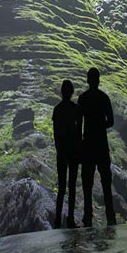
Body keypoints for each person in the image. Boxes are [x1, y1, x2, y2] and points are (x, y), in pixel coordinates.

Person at [78, 67, 116, 226]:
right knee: (106, 181)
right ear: (98, 80)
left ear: (88, 80)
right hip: (101, 144)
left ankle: (88, 217)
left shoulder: (83, 98)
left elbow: (79, 123)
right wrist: (101, 125)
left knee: (87, 182)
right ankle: (110, 217)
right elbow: (111, 121)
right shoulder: (104, 98)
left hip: (87, 144)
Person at [51, 79, 81, 229]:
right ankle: (70, 219)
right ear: (72, 92)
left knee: (62, 187)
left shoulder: (57, 110)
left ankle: (57, 220)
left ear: (62, 92)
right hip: (73, 151)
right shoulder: (76, 109)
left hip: (62, 151)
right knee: (72, 186)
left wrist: (59, 151)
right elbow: (79, 132)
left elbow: (56, 134)